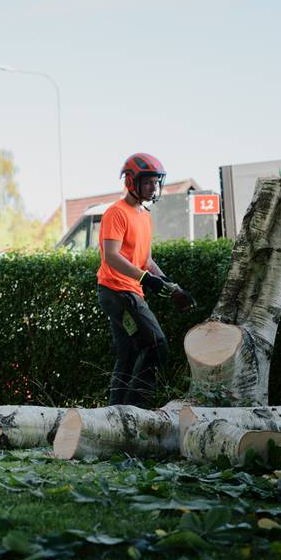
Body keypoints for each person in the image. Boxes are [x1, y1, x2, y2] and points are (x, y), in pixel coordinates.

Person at [97, 153, 196, 407]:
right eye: (148, 182)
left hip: (128, 290)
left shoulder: (144, 216)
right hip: (117, 292)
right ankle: (136, 409)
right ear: (131, 181)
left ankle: (115, 413)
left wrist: (172, 287)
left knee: (128, 354)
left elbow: (147, 261)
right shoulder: (116, 213)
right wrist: (144, 279)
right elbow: (111, 256)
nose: (154, 187)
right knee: (156, 345)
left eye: (156, 182)